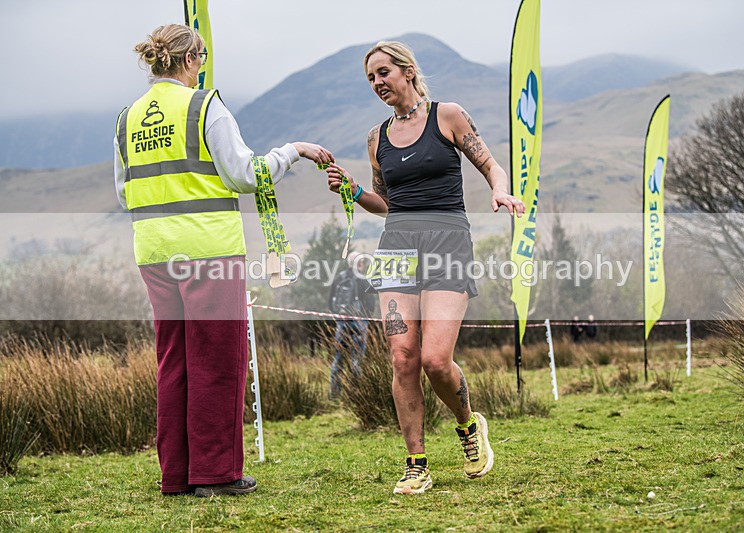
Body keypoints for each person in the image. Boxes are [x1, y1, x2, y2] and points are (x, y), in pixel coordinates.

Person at [114, 24, 333, 497]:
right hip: (209, 250)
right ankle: (215, 475)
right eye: (201, 58)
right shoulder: (204, 105)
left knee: (173, 361)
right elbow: (246, 173)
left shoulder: (126, 118)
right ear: (191, 58)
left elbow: (122, 190)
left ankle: (176, 475)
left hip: (152, 250)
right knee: (216, 360)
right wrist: (293, 151)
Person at [324, 40, 525, 494]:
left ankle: (468, 425)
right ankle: (416, 463)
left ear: (407, 71)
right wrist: (354, 190)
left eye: (383, 73)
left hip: (447, 243)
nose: (377, 83)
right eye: (371, 78)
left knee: (436, 360)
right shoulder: (377, 138)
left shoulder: (447, 116)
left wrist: (499, 190)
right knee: (402, 358)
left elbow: (492, 165)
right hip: (396, 248)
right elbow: (386, 203)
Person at [329, 251, 375, 399]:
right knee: (357, 359)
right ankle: (356, 394)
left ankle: (334, 393)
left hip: (342, 323)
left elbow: (331, 302)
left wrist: (339, 319)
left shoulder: (339, 278)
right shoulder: (363, 280)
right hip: (359, 322)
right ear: (360, 264)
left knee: (338, 358)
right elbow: (370, 304)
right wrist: (366, 319)